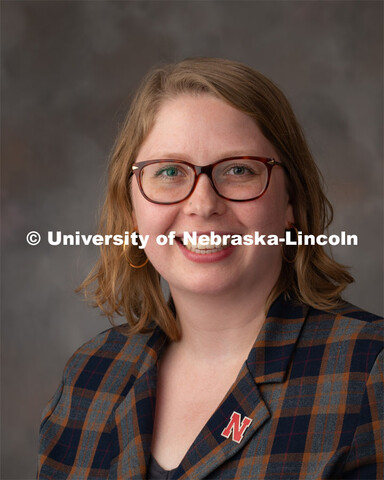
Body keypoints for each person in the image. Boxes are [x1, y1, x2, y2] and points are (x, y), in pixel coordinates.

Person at [38, 58, 383, 479]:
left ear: (291, 201)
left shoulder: (368, 372)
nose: (202, 205)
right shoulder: (91, 374)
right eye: (168, 171)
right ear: (131, 208)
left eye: (238, 170)